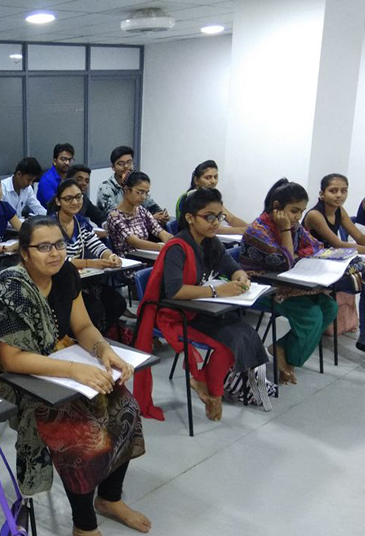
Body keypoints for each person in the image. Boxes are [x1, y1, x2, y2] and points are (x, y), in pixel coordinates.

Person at [0, 216, 149, 536]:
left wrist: (103, 351)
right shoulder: (11, 288)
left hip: (58, 359)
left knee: (126, 408)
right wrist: (74, 369)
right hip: (10, 376)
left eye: (60, 244)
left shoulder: (65, 274)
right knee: (79, 437)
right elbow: (12, 360)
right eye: (44, 247)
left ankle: (109, 499)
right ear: (24, 252)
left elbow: (82, 325)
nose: (55, 253)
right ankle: (84, 527)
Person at [134, 188, 270, 421]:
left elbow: (232, 267)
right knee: (228, 344)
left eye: (219, 216)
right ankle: (214, 393)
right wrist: (217, 291)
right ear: (190, 218)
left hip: (199, 308)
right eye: (209, 217)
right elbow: (175, 291)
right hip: (174, 313)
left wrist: (240, 277)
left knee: (245, 335)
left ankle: (202, 381)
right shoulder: (177, 247)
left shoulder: (210, 242)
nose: (216, 222)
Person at [241, 179, 338, 384]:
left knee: (330, 307)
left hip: (288, 284)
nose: (298, 217)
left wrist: (295, 253)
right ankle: (288, 360)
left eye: (301, 211)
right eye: (294, 211)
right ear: (277, 207)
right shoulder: (257, 231)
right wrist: (286, 232)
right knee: (311, 316)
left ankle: (281, 349)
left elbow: (317, 246)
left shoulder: (295, 227)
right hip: (263, 287)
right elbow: (286, 263)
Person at [302, 173, 365, 360]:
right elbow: (339, 245)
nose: (339, 195)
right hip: (312, 268)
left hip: (331, 263)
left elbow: (361, 237)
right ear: (322, 194)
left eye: (343, 191)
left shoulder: (339, 211)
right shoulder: (315, 215)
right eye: (333, 191)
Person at [50, 178, 126, 332]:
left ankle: (98, 335)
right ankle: (82, 337)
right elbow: (59, 260)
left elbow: (96, 244)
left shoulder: (80, 222)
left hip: (81, 280)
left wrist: (110, 256)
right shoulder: (50, 226)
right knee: (94, 309)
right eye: (68, 198)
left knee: (117, 303)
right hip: (58, 282)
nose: (75, 202)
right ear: (58, 201)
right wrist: (91, 263)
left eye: (78, 197)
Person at [105, 171, 172, 256]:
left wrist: (174, 241)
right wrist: (161, 247)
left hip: (145, 256)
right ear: (126, 189)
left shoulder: (141, 211)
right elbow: (135, 242)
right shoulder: (114, 216)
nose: (144, 197)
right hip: (127, 260)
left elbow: (159, 231)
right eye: (140, 192)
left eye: (146, 193)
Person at [96, 146, 169, 223]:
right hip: (116, 227)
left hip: (139, 225)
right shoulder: (106, 188)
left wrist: (161, 214)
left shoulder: (136, 183)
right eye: (121, 164)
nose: (126, 166)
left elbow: (150, 204)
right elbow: (115, 218)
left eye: (129, 162)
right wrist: (150, 218)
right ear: (113, 167)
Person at [174, 161, 249, 234]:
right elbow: (209, 226)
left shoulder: (211, 198)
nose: (213, 181)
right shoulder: (190, 198)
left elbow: (231, 219)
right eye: (208, 178)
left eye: (215, 177)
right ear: (196, 180)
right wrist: (241, 230)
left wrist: (250, 228)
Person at [66, 164, 106, 228]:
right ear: (68, 180)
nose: (84, 183)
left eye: (87, 181)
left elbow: (98, 216)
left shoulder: (84, 199)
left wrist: (106, 225)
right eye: (79, 179)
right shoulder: (59, 200)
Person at [36, 143, 74, 208]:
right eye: (63, 159)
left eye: (70, 160)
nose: (67, 163)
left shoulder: (71, 177)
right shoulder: (46, 180)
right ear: (55, 161)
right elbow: (54, 206)